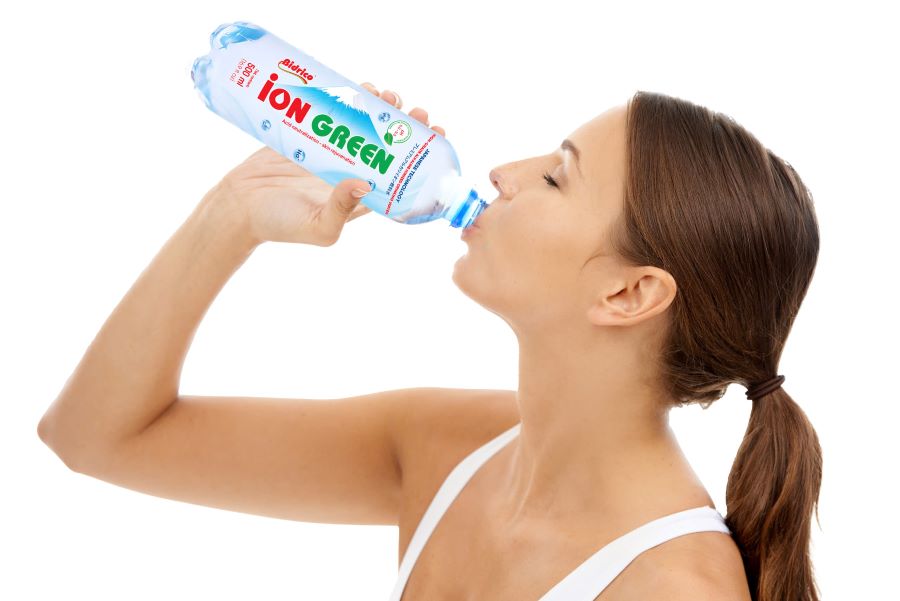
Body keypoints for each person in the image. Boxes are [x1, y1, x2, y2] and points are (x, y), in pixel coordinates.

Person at [38, 83, 822, 601]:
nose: (504, 172)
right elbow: (95, 436)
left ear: (628, 293)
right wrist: (233, 214)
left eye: (557, 176)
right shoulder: (448, 447)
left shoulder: (673, 588)